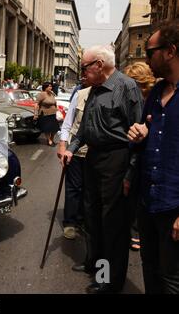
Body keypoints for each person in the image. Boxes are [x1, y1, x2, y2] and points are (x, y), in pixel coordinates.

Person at [63, 45, 144, 294]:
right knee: (92, 216)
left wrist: (130, 173)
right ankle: (94, 265)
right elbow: (85, 128)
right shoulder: (94, 90)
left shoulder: (127, 87)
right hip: (93, 158)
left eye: (85, 67)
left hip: (116, 160)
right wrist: (71, 148)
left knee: (112, 224)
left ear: (99, 64)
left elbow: (139, 134)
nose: (82, 72)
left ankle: (109, 280)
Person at [127, 21, 179, 294]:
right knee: (150, 269)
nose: (146, 60)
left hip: (173, 208)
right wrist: (140, 134)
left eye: (150, 52)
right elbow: (147, 140)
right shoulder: (156, 93)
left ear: (169, 51)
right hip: (147, 202)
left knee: (172, 279)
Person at [124, 62, 156, 252]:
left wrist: (129, 172)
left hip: (140, 159)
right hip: (134, 157)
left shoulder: (148, 103)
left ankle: (135, 232)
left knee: (135, 197)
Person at [57, 78, 91, 240]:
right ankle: (70, 222)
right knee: (73, 188)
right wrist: (62, 145)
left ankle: (83, 220)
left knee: (89, 189)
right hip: (76, 151)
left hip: (96, 153)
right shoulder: (79, 94)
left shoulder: (109, 95)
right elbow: (67, 123)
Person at [35, 82, 59, 146]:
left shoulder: (52, 94)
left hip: (53, 113)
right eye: (49, 86)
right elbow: (36, 104)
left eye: (51, 86)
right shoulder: (41, 94)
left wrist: (57, 110)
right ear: (45, 87)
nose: (51, 87)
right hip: (45, 114)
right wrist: (36, 114)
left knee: (55, 128)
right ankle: (49, 140)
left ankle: (51, 138)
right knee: (47, 129)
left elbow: (54, 103)